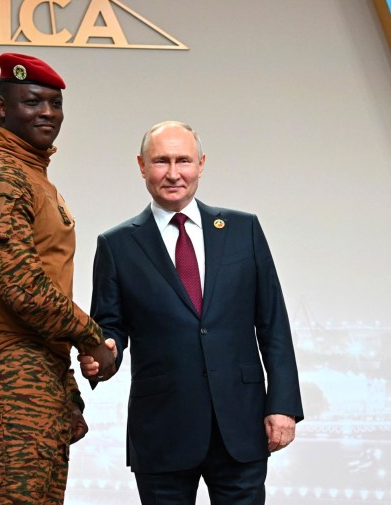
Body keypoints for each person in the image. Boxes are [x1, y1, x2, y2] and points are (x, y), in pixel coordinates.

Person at [79, 121, 304, 505]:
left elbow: (273, 324)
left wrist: (282, 404)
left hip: (241, 424)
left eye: (183, 160)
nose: (172, 173)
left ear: (201, 164)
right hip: (162, 427)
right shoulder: (116, 245)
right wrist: (103, 353)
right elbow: (109, 325)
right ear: (141, 166)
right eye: (160, 161)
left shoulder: (243, 230)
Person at [0, 52, 116, 505]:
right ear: (2, 108)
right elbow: (24, 289)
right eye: (32, 102)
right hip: (5, 368)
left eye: (55, 104)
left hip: (35, 365)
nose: (47, 113)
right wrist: (91, 337)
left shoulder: (31, 176)